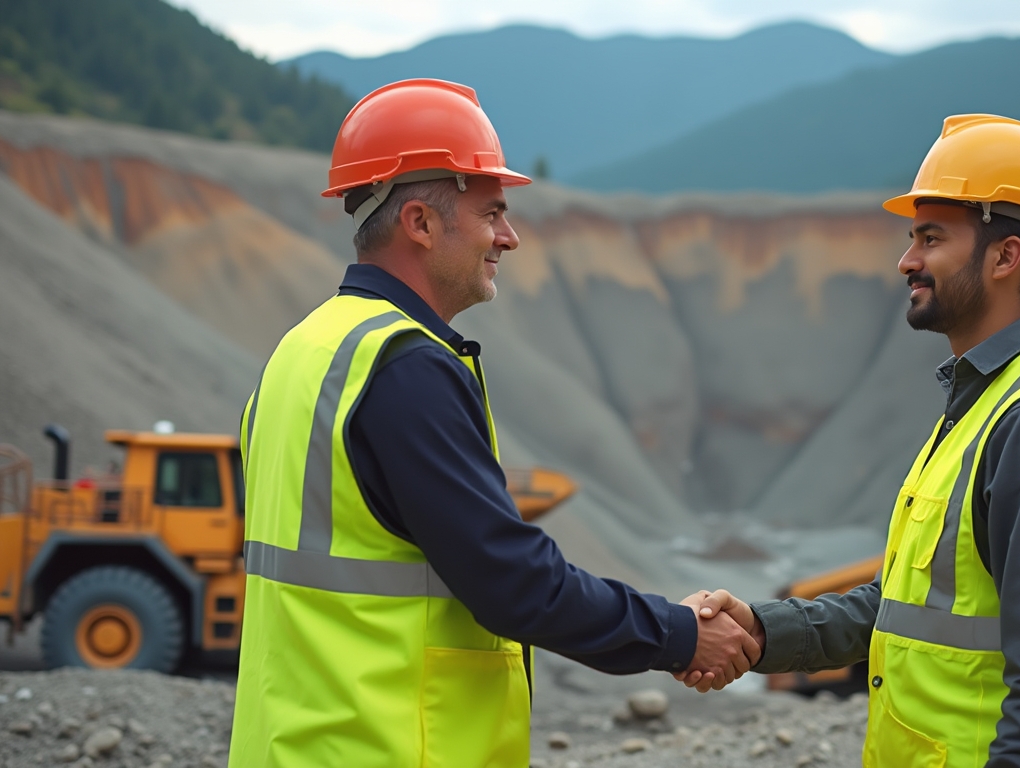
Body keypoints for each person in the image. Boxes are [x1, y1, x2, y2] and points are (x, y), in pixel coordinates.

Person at [228, 79, 759, 768]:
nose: (508, 237)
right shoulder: (404, 368)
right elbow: (515, 584)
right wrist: (680, 634)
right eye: (492, 213)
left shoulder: (304, 351)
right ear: (419, 222)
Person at [686, 115, 1020, 767]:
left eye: (931, 238)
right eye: (912, 239)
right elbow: (899, 608)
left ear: (1006, 256)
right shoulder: (984, 407)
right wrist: (763, 630)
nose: (908, 261)